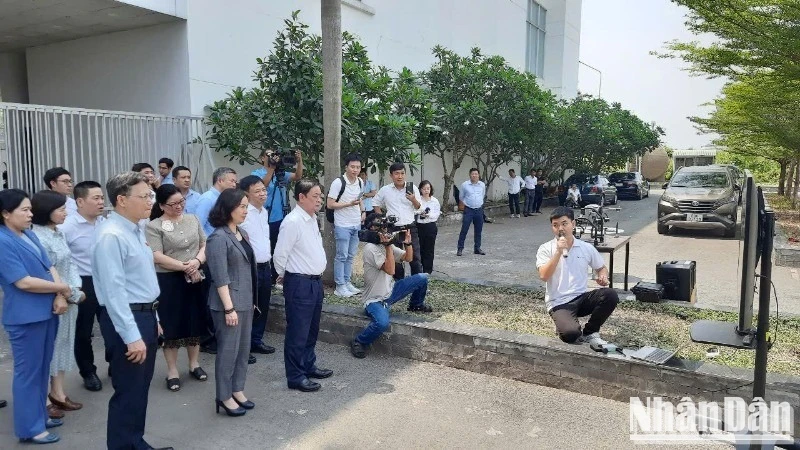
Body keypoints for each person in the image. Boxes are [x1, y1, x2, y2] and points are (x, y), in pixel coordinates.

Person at [92, 172, 172, 450]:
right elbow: (114, 293)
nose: (151, 200)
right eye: (144, 196)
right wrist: (131, 336)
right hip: (127, 319)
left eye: (151, 195)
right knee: (128, 392)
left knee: (139, 390)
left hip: (144, 314)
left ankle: (134, 443)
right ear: (122, 200)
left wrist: (155, 318)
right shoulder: (111, 236)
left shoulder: (135, 229)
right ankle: (124, 446)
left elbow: (141, 282)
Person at [0, 189, 71, 445]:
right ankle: (30, 428)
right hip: (25, 317)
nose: (31, 214)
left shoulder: (28, 233)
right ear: (6, 214)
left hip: (46, 311)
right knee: (28, 373)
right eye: (24, 210)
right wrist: (62, 289)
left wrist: (59, 293)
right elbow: (23, 283)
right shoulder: (3, 241)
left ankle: (39, 415)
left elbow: (48, 265)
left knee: (42, 370)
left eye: (30, 209)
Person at [146, 184, 209, 393]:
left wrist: (197, 263)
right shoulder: (154, 226)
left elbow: (204, 244)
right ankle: (172, 370)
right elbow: (156, 255)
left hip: (195, 277)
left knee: (194, 321)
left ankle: (194, 364)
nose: (179, 206)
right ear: (162, 206)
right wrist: (185, 266)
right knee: (171, 324)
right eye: (173, 204)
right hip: (169, 280)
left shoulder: (193, 219)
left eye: (181, 202)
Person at [31, 191, 86, 420]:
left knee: (64, 345)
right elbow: (43, 271)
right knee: (48, 350)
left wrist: (74, 290)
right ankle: (42, 399)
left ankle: (59, 393)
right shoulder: (37, 237)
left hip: (68, 296)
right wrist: (63, 293)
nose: (66, 212)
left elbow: (70, 264)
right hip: (52, 300)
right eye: (61, 209)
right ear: (46, 210)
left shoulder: (57, 233)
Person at [273, 179, 331, 393]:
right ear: (301, 197)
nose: (319, 200)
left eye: (320, 196)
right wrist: (284, 277)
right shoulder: (293, 221)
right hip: (299, 282)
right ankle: (296, 376)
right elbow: (280, 254)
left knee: (311, 330)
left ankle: (308, 365)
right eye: (315, 196)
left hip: (315, 282)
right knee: (298, 331)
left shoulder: (312, 218)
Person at [350, 218, 433, 359]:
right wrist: (388, 246)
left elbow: (408, 258)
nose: (386, 232)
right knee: (382, 323)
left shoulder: (386, 245)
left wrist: (408, 243)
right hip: (375, 300)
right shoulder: (370, 249)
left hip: (391, 291)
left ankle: (416, 305)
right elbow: (390, 270)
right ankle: (359, 341)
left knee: (422, 277)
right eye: (381, 229)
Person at [206, 188, 256, 417]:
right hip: (228, 304)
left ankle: (237, 388)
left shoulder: (242, 233)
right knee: (228, 352)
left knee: (243, 350)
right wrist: (229, 308)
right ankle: (224, 395)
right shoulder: (217, 237)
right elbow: (220, 276)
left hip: (245, 300)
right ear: (228, 208)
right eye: (241, 206)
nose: (246, 211)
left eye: (247, 206)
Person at [536, 207, 618, 345]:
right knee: (571, 334)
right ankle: (565, 323)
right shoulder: (545, 248)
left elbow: (601, 268)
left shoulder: (585, 247)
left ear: (573, 224)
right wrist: (558, 252)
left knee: (610, 295)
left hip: (581, 297)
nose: (560, 228)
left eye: (564, 223)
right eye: (555, 225)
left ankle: (590, 332)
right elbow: (544, 276)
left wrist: (603, 277)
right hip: (559, 302)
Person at [61, 181, 107, 393]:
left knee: (112, 324)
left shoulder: (104, 223)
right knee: (83, 331)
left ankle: (115, 364)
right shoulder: (67, 227)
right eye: (95, 198)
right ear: (80, 201)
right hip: (82, 282)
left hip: (106, 279)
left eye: (101, 197)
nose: (101, 202)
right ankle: (88, 371)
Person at [252, 148, 304, 282]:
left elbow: (297, 177)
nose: (272, 157)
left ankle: (277, 276)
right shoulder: (257, 174)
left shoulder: (281, 174)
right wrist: (271, 168)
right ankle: (266, 275)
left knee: (280, 247)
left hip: (281, 216)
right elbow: (263, 185)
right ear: (262, 158)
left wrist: (299, 161)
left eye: (274, 155)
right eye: (268, 155)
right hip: (266, 217)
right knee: (267, 246)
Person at [238, 175, 276, 358]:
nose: (263, 194)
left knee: (263, 304)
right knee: (248, 307)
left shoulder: (264, 212)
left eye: (264, 190)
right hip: (248, 267)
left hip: (265, 265)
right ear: (246, 194)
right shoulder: (243, 214)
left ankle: (256, 341)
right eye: (257, 191)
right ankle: (243, 347)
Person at [372, 162, 423, 278]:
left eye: (402, 173)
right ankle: (399, 284)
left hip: (409, 228)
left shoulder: (412, 188)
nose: (400, 176)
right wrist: (382, 219)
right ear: (391, 175)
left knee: (414, 257)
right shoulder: (386, 190)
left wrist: (413, 199)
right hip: (393, 228)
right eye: (397, 174)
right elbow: (375, 202)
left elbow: (419, 208)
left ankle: (418, 283)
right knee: (396, 258)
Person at [327, 153, 365, 298]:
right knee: (341, 255)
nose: (355, 170)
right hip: (342, 224)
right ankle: (340, 285)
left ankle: (347, 282)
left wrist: (363, 211)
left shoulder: (360, 181)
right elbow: (330, 204)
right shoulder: (338, 182)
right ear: (346, 167)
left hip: (356, 223)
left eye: (358, 167)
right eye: (352, 167)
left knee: (351, 255)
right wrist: (349, 204)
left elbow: (359, 198)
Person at [196, 167, 238, 237]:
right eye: (232, 181)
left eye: (235, 182)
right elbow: (198, 226)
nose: (234, 185)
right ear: (220, 181)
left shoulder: (226, 198)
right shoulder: (207, 199)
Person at [457, 168, 486, 256]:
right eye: (472, 174)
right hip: (468, 210)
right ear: (470, 175)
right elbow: (461, 197)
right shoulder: (465, 185)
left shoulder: (482, 185)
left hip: (479, 210)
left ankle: (477, 248)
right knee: (464, 229)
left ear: (479, 175)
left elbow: (483, 195)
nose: (474, 175)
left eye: (476, 174)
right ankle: (460, 248)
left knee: (478, 230)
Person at [416, 180, 441, 274]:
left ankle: (428, 271)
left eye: (428, 188)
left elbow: (436, 215)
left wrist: (428, 214)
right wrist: (420, 212)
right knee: (420, 249)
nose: (426, 191)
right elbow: (415, 211)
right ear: (420, 189)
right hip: (419, 226)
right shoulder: (418, 200)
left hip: (430, 226)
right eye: (424, 189)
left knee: (429, 249)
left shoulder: (434, 201)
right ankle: (419, 269)